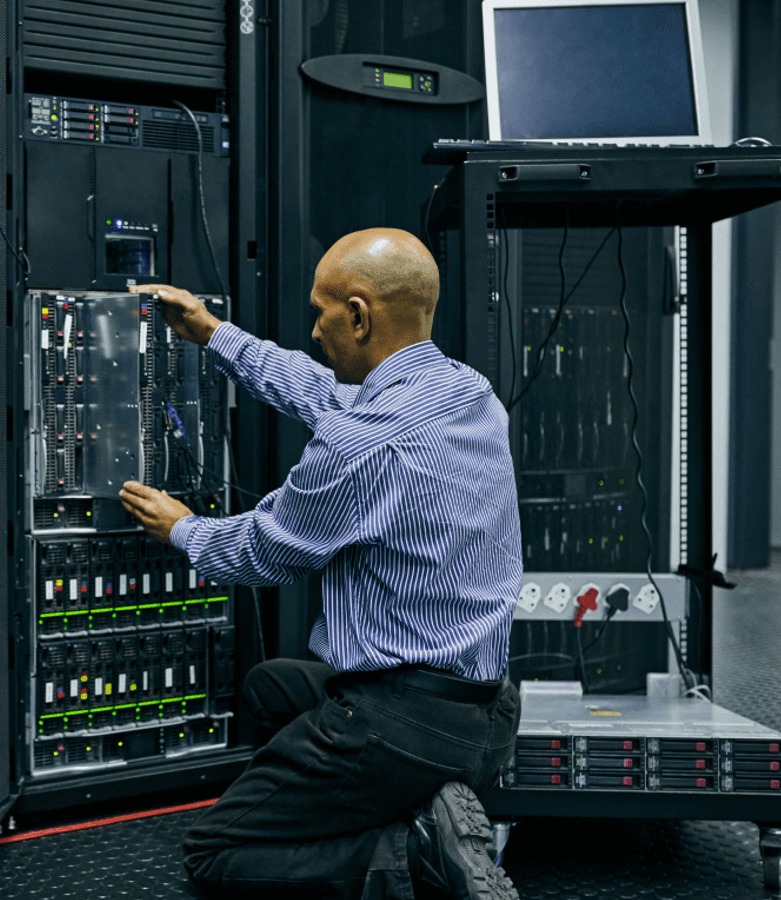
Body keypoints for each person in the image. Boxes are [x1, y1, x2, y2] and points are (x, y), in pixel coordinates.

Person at [119, 228, 522, 900]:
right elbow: (323, 391)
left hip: (403, 724)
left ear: (359, 315)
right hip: (487, 715)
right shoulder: (466, 391)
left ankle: (410, 854)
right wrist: (214, 333)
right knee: (271, 686)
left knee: (215, 854)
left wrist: (182, 529)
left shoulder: (359, 446)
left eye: (321, 312)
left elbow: (263, 551)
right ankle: (426, 804)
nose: (313, 330)